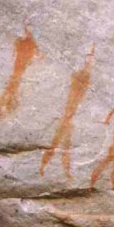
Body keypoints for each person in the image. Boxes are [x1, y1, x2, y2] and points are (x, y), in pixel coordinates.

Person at [40, 46, 95, 178]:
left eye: (91, 61)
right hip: (66, 118)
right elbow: (73, 93)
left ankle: (65, 171)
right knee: (56, 144)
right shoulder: (79, 76)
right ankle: (43, 167)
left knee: (66, 147)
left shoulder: (85, 78)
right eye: (88, 60)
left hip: (69, 119)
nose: (90, 63)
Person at [0, 25, 40, 117]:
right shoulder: (30, 43)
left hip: (19, 69)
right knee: (11, 88)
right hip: (19, 69)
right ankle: (3, 108)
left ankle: (4, 108)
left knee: (11, 88)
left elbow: (15, 52)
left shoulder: (25, 42)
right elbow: (37, 55)